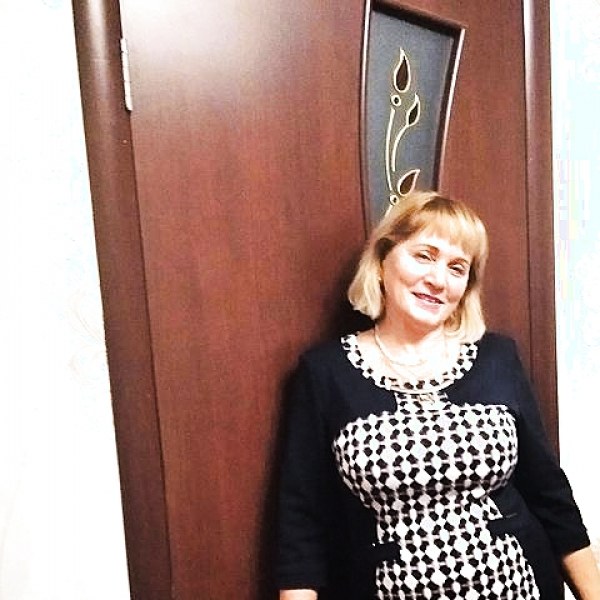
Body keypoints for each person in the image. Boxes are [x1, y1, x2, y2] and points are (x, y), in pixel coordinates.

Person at [276, 191, 600, 600]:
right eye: (424, 256)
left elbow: (550, 495)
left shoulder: (497, 357)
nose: (438, 279)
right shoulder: (325, 373)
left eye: (457, 267)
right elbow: (301, 525)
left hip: (517, 586)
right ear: (382, 261)